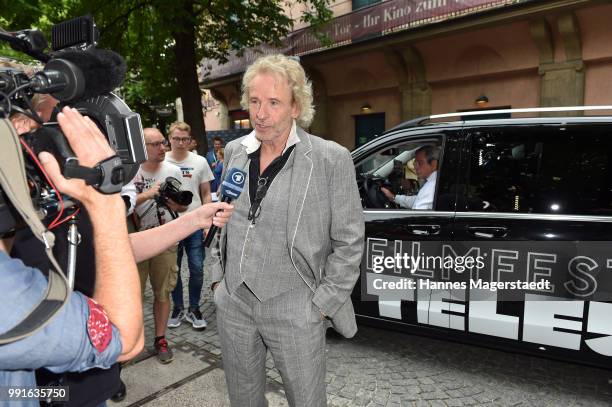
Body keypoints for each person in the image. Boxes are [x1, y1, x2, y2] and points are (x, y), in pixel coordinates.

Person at [206, 54, 364, 407]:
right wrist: (218, 281)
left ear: (296, 107)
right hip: (234, 302)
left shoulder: (329, 159)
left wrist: (321, 305)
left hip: (296, 307)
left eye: (273, 102)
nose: (260, 113)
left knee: (306, 401)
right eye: (255, 101)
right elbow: (224, 219)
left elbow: (350, 241)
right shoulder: (235, 151)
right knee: (243, 400)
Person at [0, 108, 144, 406]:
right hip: (58, 375)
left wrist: (191, 222)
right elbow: (124, 337)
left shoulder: (58, 206)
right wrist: (106, 204)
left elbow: (120, 253)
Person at [133, 128, 187, 363]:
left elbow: (183, 207)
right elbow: (117, 205)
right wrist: (147, 194)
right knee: (132, 295)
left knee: (163, 292)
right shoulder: (131, 172)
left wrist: (174, 203)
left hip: (165, 240)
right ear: (142, 148)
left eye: (162, 143)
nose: (162, 148)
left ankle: (160, 339)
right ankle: (131, 344)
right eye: (155, 144)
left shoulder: (173, 171)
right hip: (135, 241)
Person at [165, 122, 214, 329]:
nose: (181, 143)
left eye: (185, 139)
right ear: (170, 139)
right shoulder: (162, 160)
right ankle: (177, 308)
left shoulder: (200, 161)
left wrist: (207, 222)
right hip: (171, 223)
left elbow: (206, 193)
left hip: (194, 223)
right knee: (173, 269)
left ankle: (194, 309)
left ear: (190, 140)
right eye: (176, 139)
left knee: (197, 268)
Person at [381, 144, 440, 210]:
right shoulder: (433, 182)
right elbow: (417, 200)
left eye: (420, 163)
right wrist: (393, 197)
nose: (415, 167)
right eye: (415, 163)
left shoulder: (432, 186)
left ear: (433, 164)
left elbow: (418, 215)